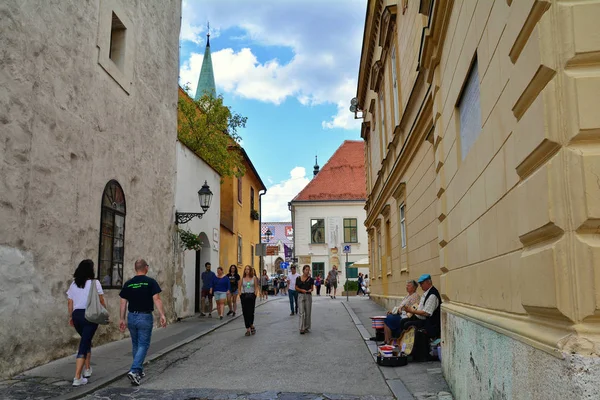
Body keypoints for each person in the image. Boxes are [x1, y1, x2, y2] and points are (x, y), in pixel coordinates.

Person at [119, 259, 166, 386]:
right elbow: (156, 299)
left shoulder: (128, 283)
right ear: (146, 268)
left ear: (135, 268)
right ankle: (134, 370)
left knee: (136, 344)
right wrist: (162, 315)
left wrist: (122, 318)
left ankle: (138, 370)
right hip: (144, 317)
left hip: (132, 317)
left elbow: (123, 302)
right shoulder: (150, 282)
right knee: (143, 344)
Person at [67, 259, 106, 386]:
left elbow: (70, 302)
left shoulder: (73, 284)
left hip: (76, 315)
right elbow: (100, 301)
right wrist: (104, 313)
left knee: (86, 339)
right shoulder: (95, 283)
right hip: (90, 315)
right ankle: (77, 377)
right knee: (84, 344)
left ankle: (87, 369)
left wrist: (71, 316)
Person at [402, 274, 442, 338]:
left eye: (422, 283)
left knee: (407, 324)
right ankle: (403, 342)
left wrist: (412, 310)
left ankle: (410, 344)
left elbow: (426, 313)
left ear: (428, 282)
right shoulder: (426, 292)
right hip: (420, 318)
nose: (420, 286)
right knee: (403, 321)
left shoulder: (432, 295)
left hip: (429, 323)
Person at [383, 280, 420, 344]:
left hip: (405, 316)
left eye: (409, 286)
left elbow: (411, 308)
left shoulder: (415, 296)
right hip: (400, 314)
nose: (406, 287)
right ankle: (387, 340)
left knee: (388, 319)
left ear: (414, 288)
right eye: (406, 285)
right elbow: (400, 306)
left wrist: (399, 311)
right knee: (387, 318)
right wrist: (393, 311)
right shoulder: (408, 295)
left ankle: (389, 341)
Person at [239, 265, 260, 336]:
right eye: (245, 269)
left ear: (250, 270)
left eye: (248, 269)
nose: (246, 271)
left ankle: (251, 325)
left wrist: (255, 295)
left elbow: (256, 287)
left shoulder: (254, 278)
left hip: (251, 296)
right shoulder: (242, 279)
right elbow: (239, 288)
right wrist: (241, 295)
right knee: (245, 312)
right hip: (244, 296)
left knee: (251, 312)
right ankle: (248, 328)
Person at [296, 265, 314, 334]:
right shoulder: (298, 278)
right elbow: (296, 287)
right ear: (303, 270)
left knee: (308, 312)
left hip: (308, 295)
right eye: (306, 270)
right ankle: (301, 328)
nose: (307, 271)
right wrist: (301, 290)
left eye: (308, 270)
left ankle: (306, 327)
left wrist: (310, 290)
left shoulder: (311, 279)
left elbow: (312, 288)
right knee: (301, 312)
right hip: (300, 295)